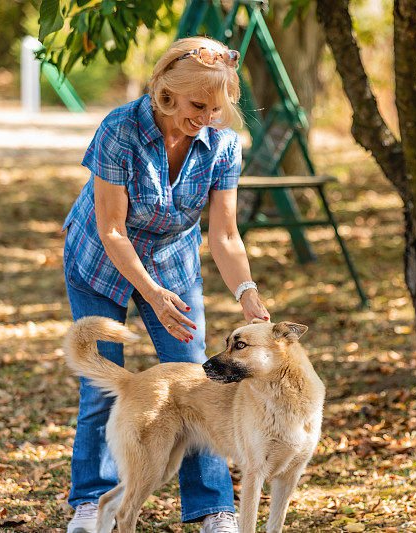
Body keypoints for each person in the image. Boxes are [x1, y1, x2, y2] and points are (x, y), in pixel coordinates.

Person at [62, 37, 269, 533]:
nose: (206, 117)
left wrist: (246, 292)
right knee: (104, 385)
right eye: (197, 106)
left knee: (200, 378)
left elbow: (223, 234)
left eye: (216, 108)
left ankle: (212, 507)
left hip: (172, 262)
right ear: (165, 93)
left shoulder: (222, 144)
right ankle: (92, 502)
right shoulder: (121, 129)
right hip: (101, 259)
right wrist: (151, 294)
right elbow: (112, 229)